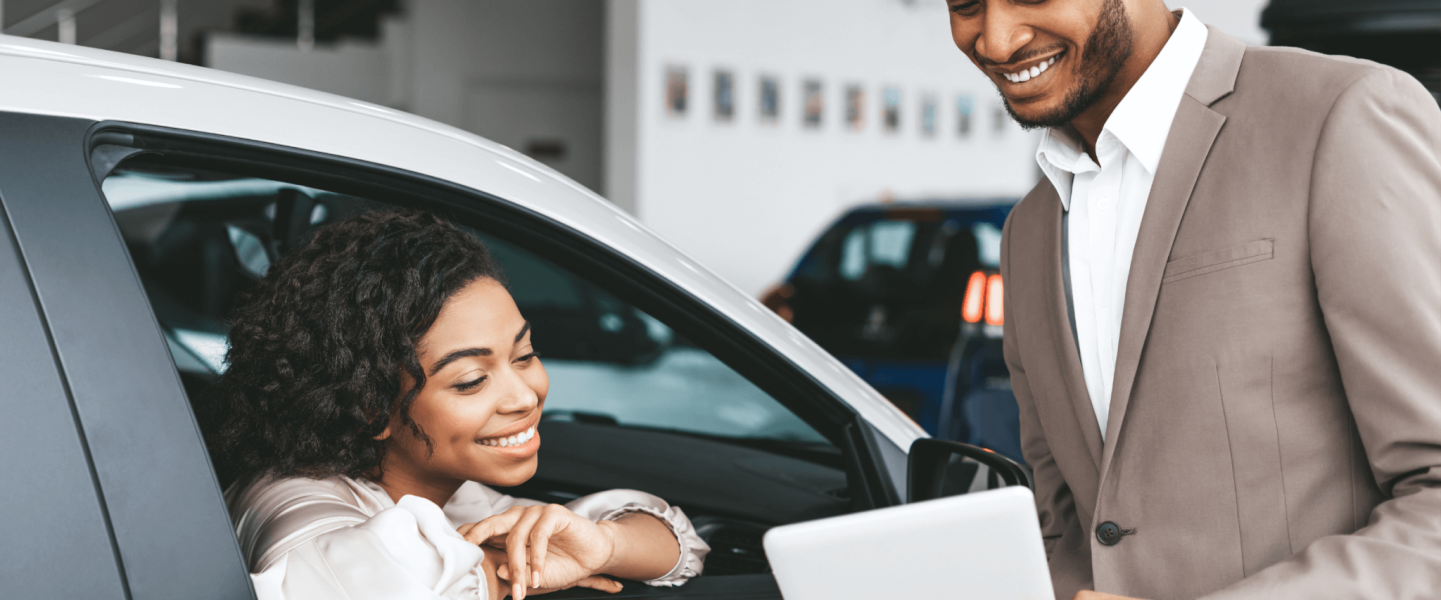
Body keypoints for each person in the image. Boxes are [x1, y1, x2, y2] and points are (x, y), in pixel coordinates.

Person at [944, 0, 1441, 598]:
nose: (996, 42)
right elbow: (1067, 532)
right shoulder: (1027, 232)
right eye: (966, 4)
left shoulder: (1339, 114)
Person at [209, 210, 708, 600]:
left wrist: (604, 547)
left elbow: (677, 541)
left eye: (525, 355)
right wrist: (517, 569)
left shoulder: (451, 492)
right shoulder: (293, 502)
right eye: (471, 380)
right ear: (371, 406)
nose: (524, 396)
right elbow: (368, 582)